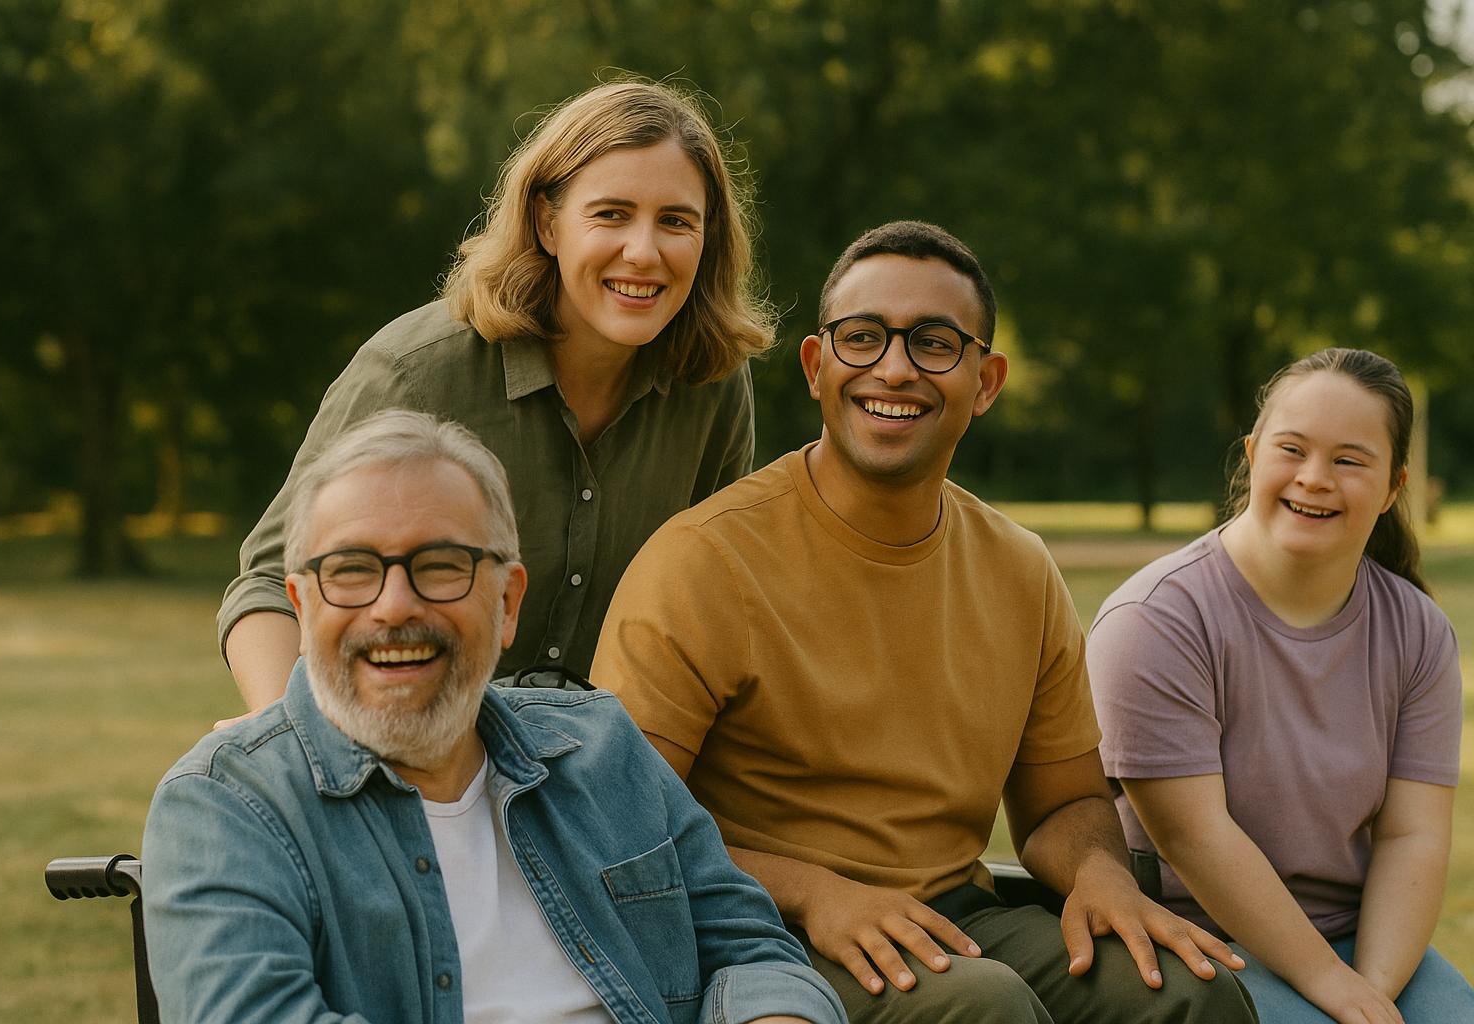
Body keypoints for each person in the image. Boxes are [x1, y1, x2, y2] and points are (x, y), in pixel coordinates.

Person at [592, 221, 1255, 1023]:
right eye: (863, 338)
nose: (894, 368)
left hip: (957, 917)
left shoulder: (1019, 568)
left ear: (985, 381)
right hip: (763, 934)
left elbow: (1061, 809)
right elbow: (621, 829)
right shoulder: (703, 561)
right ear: (816, 365)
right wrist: (816, 894)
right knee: (982, 1008)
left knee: (1190, 994)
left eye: (934, 342)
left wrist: (1100, 874)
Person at [143, 410, 846, 1024]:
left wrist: (777, 1014)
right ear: (301, 606)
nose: (393, 608)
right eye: (352, 569)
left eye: (441, 565)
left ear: (508, 602)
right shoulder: (224, 808)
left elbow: (751, 945)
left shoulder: (600, 747)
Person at [218, 79, 772, 717]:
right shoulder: (413, 375)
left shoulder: (713, 385)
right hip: (420, 749)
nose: (643, 252)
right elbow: (269, 583)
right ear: (547, 222)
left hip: (614, 765)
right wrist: (282, 740)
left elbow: (712, 600)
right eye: (611, 214)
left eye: (676, 221)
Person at [1087, 348, 1471, 1024]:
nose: (1316, 478)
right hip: (1195, 940)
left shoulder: (1420, 631)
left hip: (1354, 938)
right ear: (1254, 454)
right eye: (1292, 449)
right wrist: (1333, 989)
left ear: (1391, 488)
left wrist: (1371, 992)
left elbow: (1413, 837)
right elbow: (1198, 838)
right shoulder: (1156, 619)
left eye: (1350, 461)